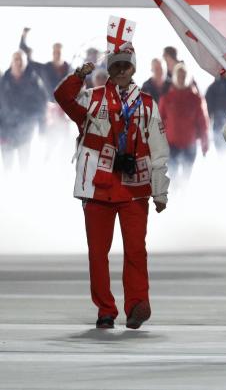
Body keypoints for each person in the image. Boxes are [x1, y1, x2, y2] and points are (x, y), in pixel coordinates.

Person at [53, 31, 170, 330]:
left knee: (135, 250)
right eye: (115, 66)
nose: (120, 71)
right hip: (97, 186)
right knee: (98, 253)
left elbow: (158, 148)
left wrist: (160, 191)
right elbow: (62, 97)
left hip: (135, 186)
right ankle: (105, 309)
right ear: (109, 68)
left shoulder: (146, 103)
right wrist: (80, 74)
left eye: (125, 66)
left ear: (134, 68)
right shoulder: (91, 99)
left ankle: (136, 306)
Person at [159, 63, 209, 180]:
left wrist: (205, 143)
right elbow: (158, 122)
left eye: (184, 76)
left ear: (188, 77)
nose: (181, 78)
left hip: (189, 144)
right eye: (179, 76)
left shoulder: (196, 98)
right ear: (174, 77)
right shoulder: (166, 98)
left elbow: (203, 123)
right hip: (171, 144)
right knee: (173, 177)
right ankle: (175, 196)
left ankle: (184, 195)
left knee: (186, 177)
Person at [0, 50, 48, 169]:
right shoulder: (3, 81)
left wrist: (42, 127)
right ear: (11, 62)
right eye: (15, 59)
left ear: (26, 63)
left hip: (26, 131)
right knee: (7, 167)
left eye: (21, 60)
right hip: (6, 131)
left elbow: (42, 105)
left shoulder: (35, 81)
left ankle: (23, 186)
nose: (18, 62)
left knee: (24, 166)